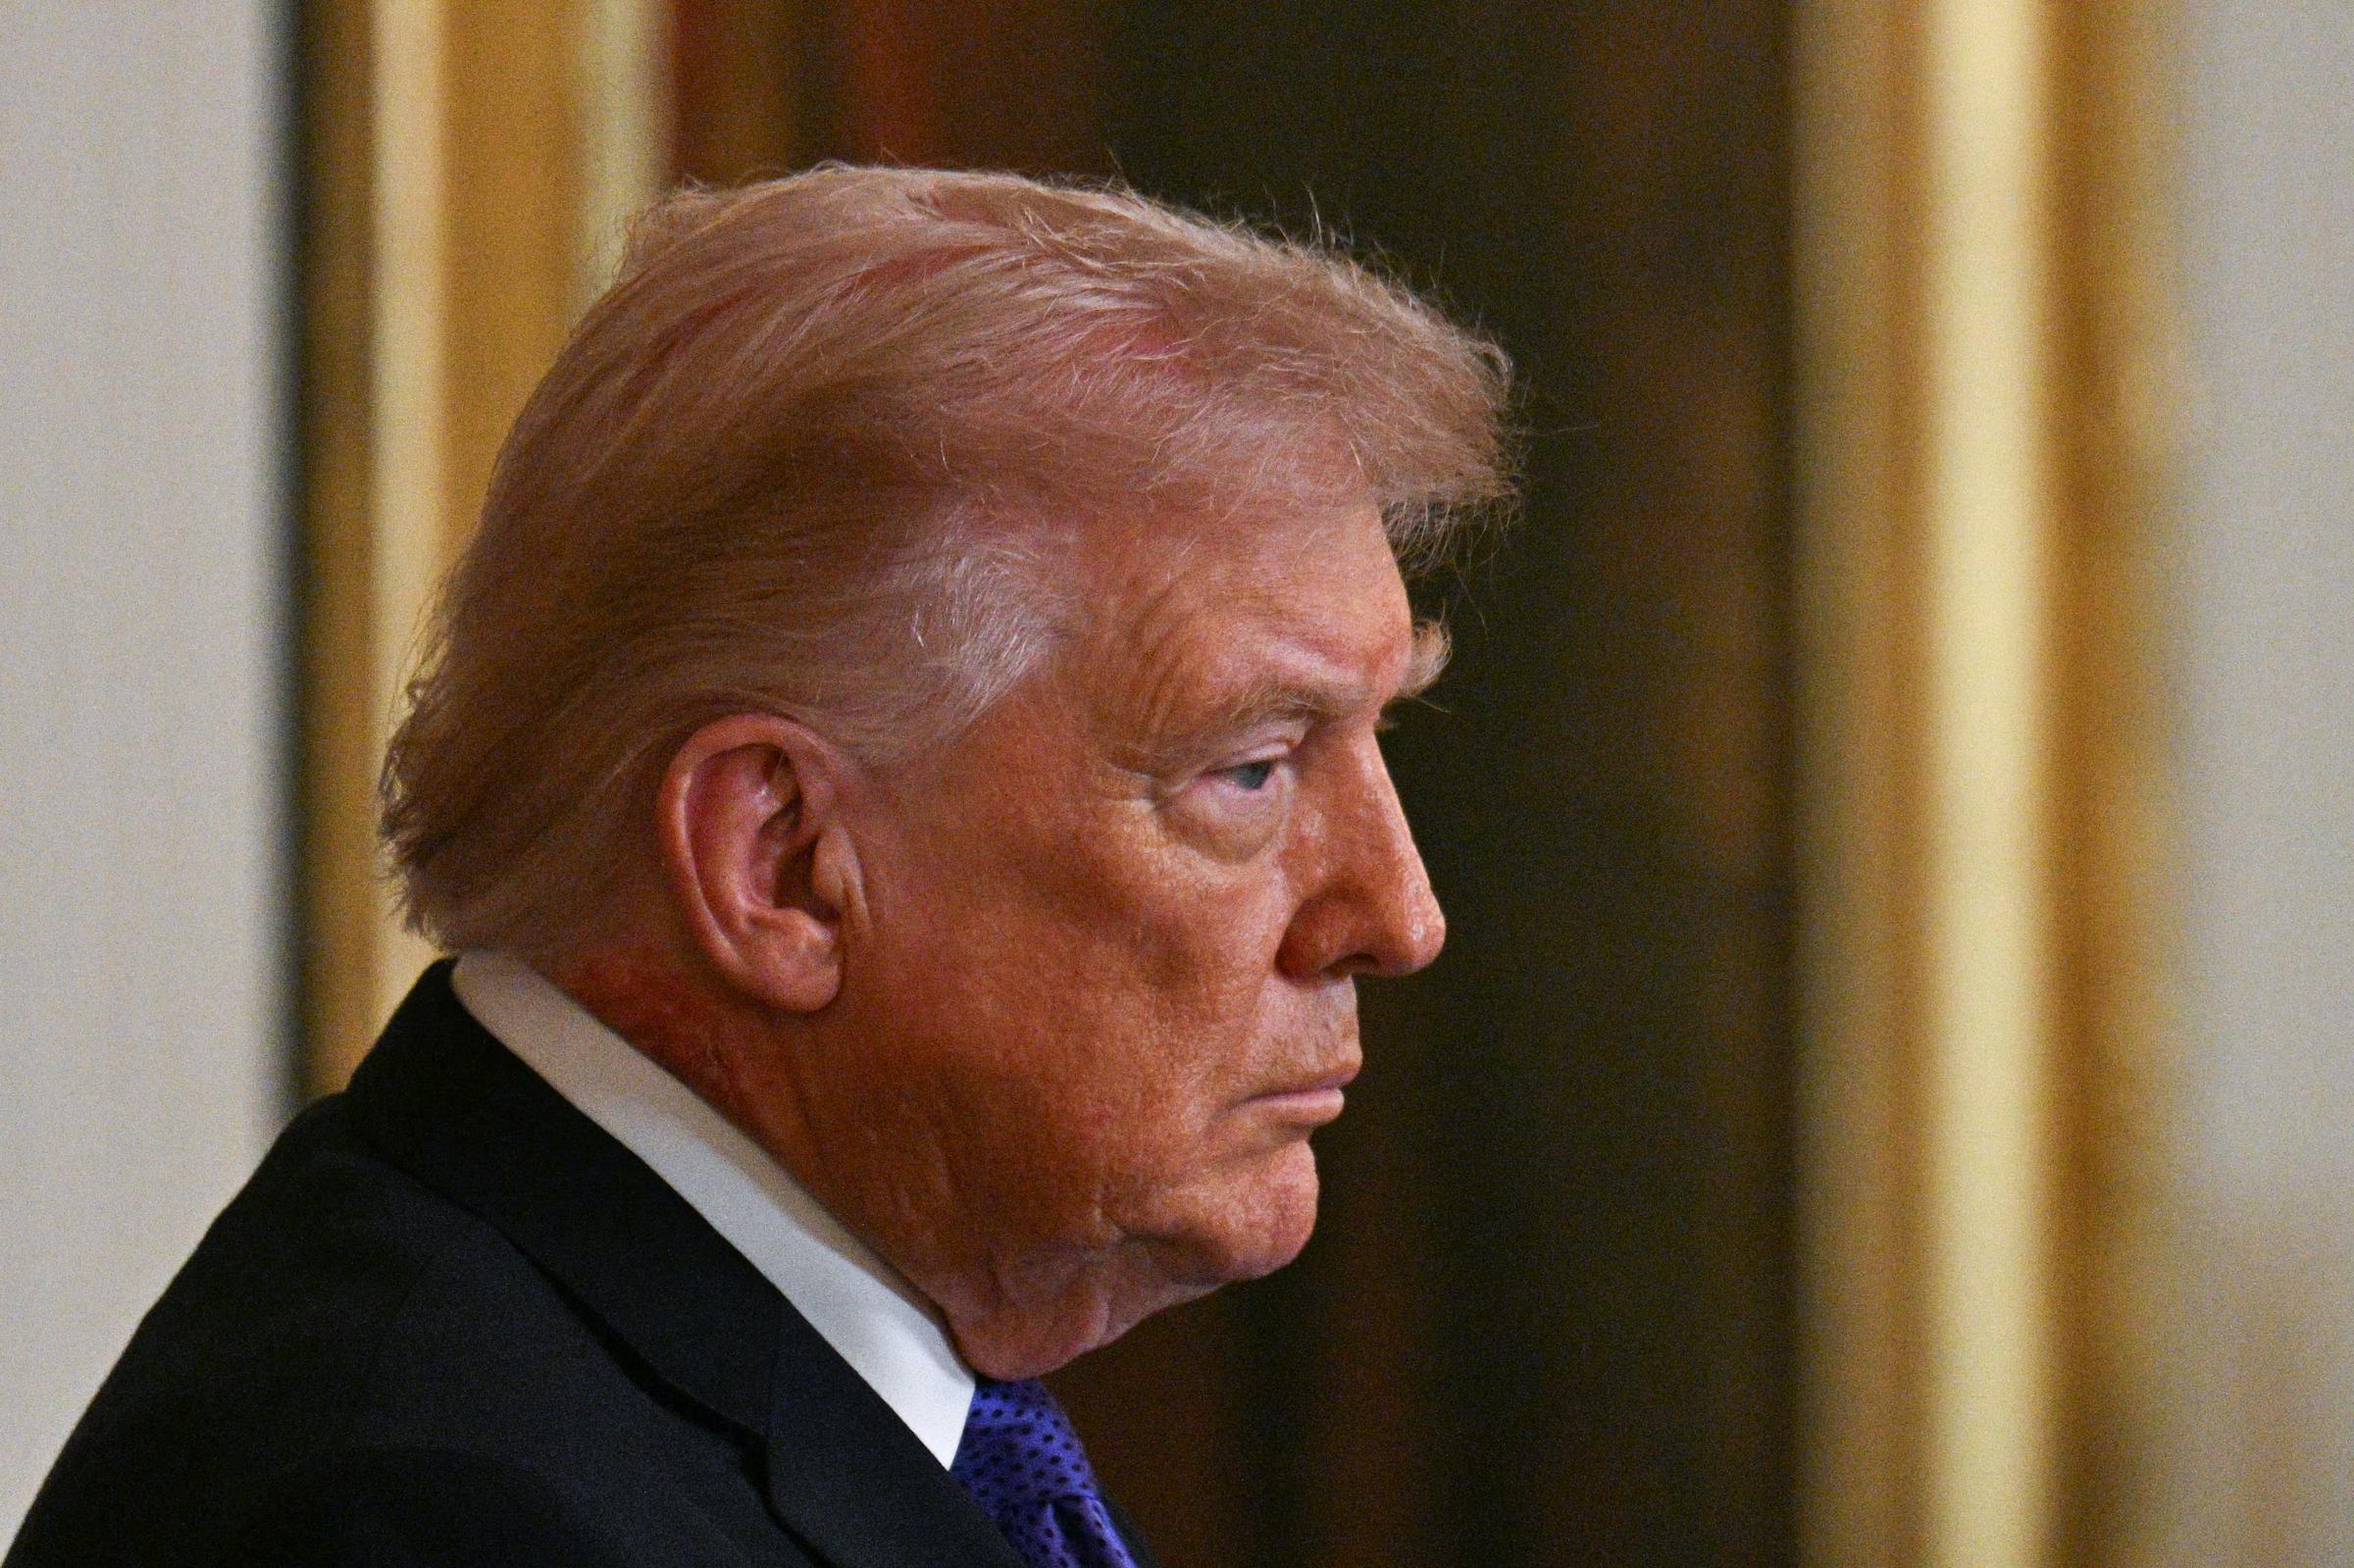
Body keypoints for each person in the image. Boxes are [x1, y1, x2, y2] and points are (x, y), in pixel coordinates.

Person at [6, 166, 1510, 1568]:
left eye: (1378, 735)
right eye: (1250, 769)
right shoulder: (438, 1519)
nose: (1398, 913)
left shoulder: (692, 1371)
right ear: (779, 865)